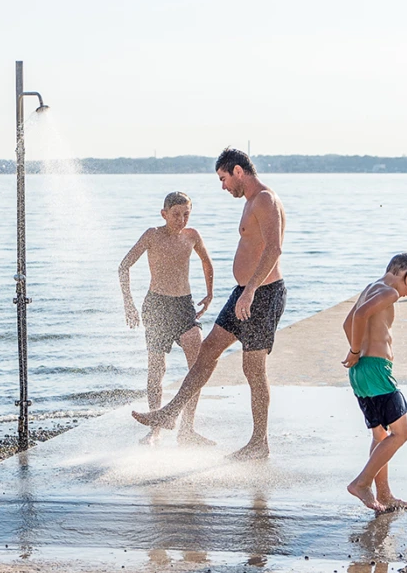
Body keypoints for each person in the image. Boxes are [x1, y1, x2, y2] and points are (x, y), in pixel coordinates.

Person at [133, 148, 286, 460]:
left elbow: (274, 249)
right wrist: (244, 289)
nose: (223, 186)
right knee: (208, 350)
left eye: (224, 178)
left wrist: (251, 289)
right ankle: (170, 413)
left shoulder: (265, 200)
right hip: (245, 291)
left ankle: (259, 443)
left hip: (261, 294)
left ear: (238, 171)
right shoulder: (252, 202)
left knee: (253, 369)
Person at [119, 192, 216, 446]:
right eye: (176, 214)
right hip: (157, 306)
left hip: (184, 305)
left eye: (186, 214)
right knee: (157, 369)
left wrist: (209, 293)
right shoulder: (152, 235)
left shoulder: (192, 236)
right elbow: (124, 266)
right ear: (164, 214)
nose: (181, 219)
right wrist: (128, 303)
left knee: (197, 365)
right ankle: (155, 429)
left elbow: (206, 261)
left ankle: (187, 429)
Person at [342, 253, 407, 513]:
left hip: (362, 372)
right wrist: (355, 352)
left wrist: (357, 352)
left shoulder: (371, 287)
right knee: (402, 433)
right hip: (376, 370)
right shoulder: (389, 292)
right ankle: (362, 483)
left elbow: (348, 321)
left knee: (381, 435)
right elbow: (362, 315)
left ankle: (385, 494)